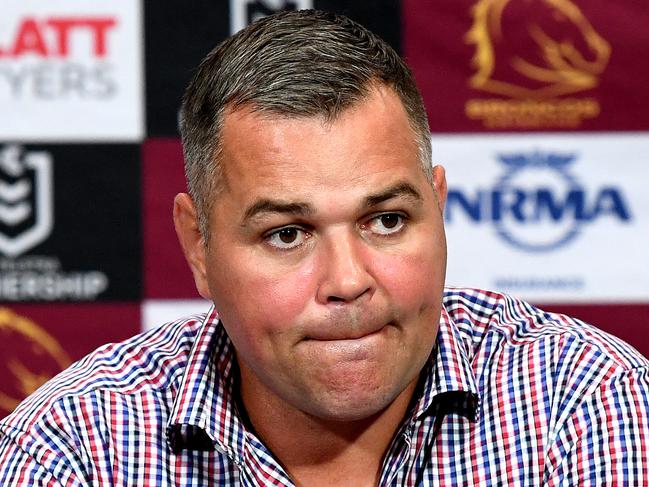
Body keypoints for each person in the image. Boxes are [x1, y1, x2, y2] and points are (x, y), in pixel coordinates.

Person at [1, 9, 648, 486]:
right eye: (287, 233)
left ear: (439, 206)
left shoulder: (588, 404)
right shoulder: (76, 447)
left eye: (387, 220)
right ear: (199, 247)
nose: (347, 280)